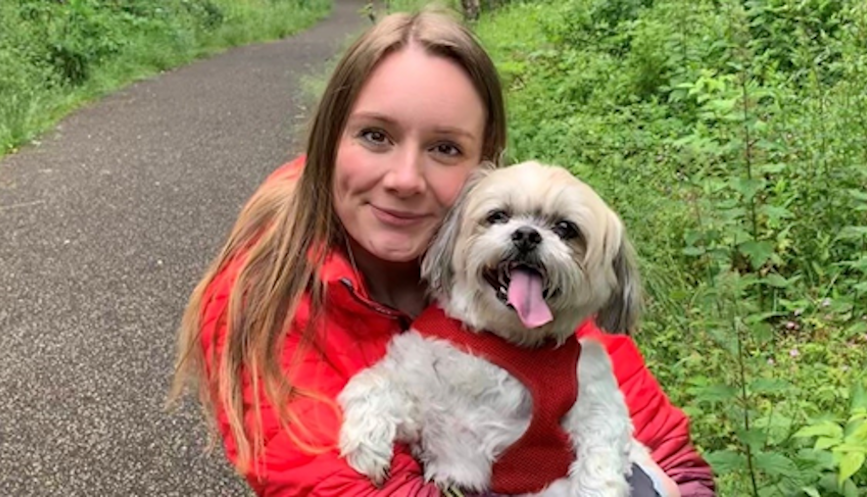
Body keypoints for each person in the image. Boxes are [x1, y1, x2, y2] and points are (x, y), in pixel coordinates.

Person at [169, 8, 716, 497]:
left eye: (445, 147)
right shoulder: (262, 296)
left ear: (486, 166)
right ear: (329, 138)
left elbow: (657, 439)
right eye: (376, 136)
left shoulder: (529, 295)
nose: (405, 179)